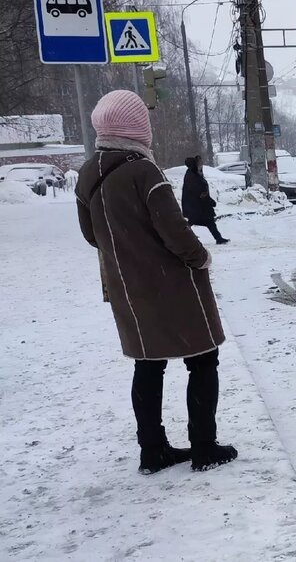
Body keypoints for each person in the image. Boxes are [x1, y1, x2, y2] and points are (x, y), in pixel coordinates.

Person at [75, 90, 237, 475]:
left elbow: (90, 234)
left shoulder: (87, 174)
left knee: (148, 365)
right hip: (172, 286)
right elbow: (176, 232)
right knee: (203, 359)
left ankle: (153, 450)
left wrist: (127, 253)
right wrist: (202, 257)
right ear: (137, 130)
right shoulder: (144, 172)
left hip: (127, 289)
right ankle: (204, 446)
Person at [182, 155, 229, 244]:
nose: (201, 165)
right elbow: (196, 190)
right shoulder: (191, 175)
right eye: (199, 163)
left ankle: (218, 238)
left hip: (201, 205)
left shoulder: (197, 174)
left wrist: (209, 200)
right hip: (195, 205)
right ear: (194, 165)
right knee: (194, 220)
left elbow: (203, 191)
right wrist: (205, 197)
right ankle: (182, 236)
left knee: (209, 221)